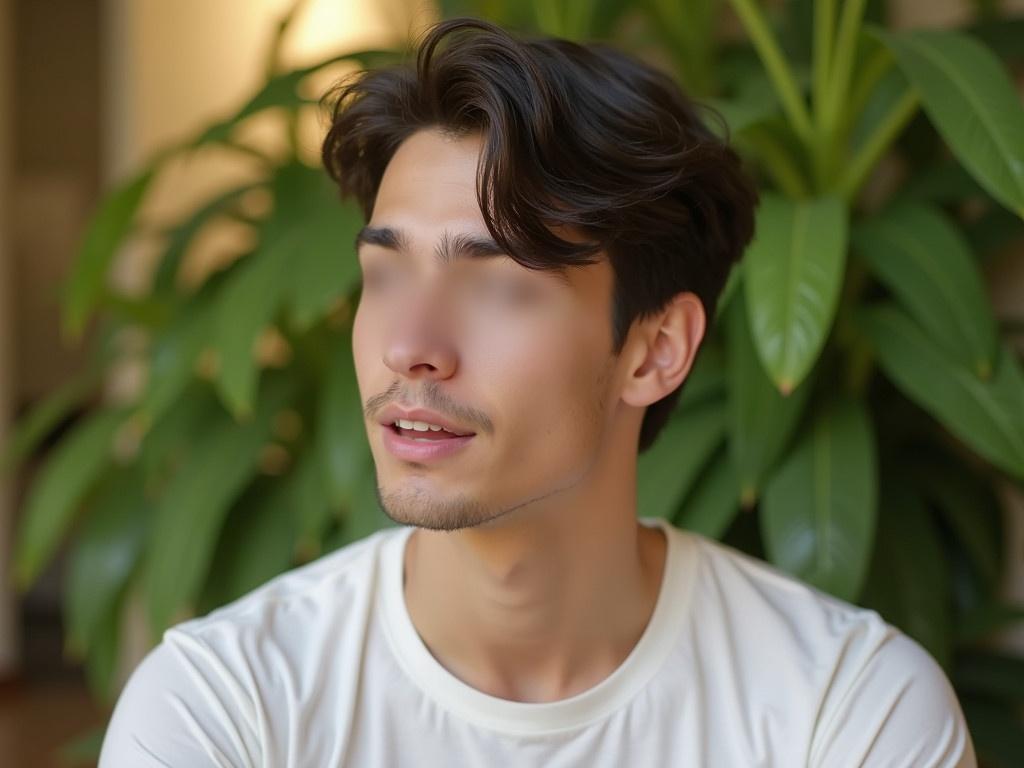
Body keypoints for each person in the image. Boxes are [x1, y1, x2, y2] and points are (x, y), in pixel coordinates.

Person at [99, 16, 976, 767]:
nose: (411, 347)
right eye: (386, 272)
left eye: (499, 286)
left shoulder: (847, 714)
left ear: (655, 350)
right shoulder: (224, 712)